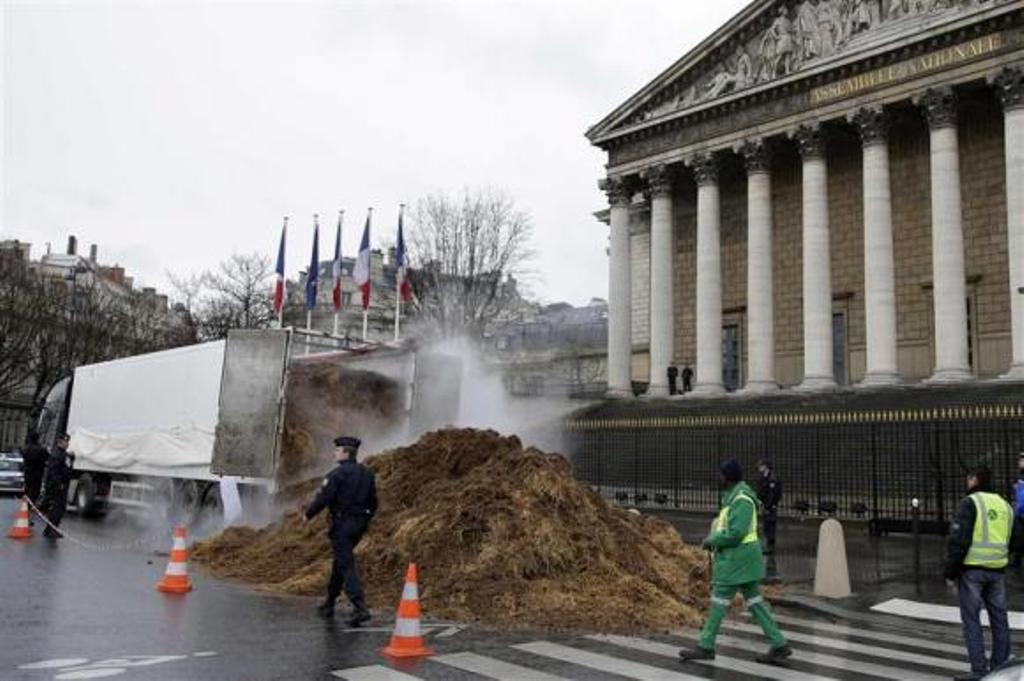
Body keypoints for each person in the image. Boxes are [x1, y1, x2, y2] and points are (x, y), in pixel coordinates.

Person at [679, 459, 791, 664]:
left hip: (737, 560)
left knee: (719, 601)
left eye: (721, 475)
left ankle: (706, 646)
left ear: (728, 477)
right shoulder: (735, 497)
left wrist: (711, 541)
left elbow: (736, 533)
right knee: (755, 603)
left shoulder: (741, 500)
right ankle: (779, 644)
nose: (718, 478)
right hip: (742, 560)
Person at [945, 464, 1021, 681]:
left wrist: (950, 572)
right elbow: (1017, 540)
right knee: (999, 618)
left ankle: (979, 670)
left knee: (971, 620)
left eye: (969, 479)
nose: (967, 482)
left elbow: (958, 541)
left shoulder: (970, 503)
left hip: (972, 572)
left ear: (975, 480)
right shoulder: (1005, 505)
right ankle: (1001, 667)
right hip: (997, 571)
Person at [304, 435, 377, 626]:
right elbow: (374, 502)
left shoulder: (337, 474)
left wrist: (308, 515)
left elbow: (324, 498)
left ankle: (360, 607)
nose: (334, 453)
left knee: (345, 564)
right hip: (359, 525)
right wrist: (365, 519)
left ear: (346, 453)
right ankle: (329, 603)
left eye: (337, 450)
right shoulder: (367, 474)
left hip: (343, 525)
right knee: (340, 561)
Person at [40, 433, 75, 539]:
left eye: (68, 442)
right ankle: (51, 530)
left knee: (58, 509)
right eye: (65, 442)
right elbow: (53, 471)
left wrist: (72, 459)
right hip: (57, 486)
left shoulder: (64, 454)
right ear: (59, 442)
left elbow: (68, 468)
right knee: (57, 509)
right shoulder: (57, 454)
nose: (67, 444)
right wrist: (59, 484)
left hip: (62, 485)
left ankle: (50, 529)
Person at [755, 458, 782, 555]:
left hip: (770, 506)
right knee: (766, 525)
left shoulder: (772, 478)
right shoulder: (764, 477)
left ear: (766, 467)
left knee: (770, 524)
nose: (759, 468)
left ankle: (770, 546)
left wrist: (769, 506)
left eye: (761, 466)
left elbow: (773, 494)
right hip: (765, 505)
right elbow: (761, 491)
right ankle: (768, 545)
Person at [20, 431, 49, 506]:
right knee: (35, 491)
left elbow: (23, 456)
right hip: (38, 474)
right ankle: (32, 504)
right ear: (38, 439)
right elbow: (47, 458)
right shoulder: (42, 449)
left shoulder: (25, 449)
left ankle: (26, 504)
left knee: (27, 489)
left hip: (28, 473)